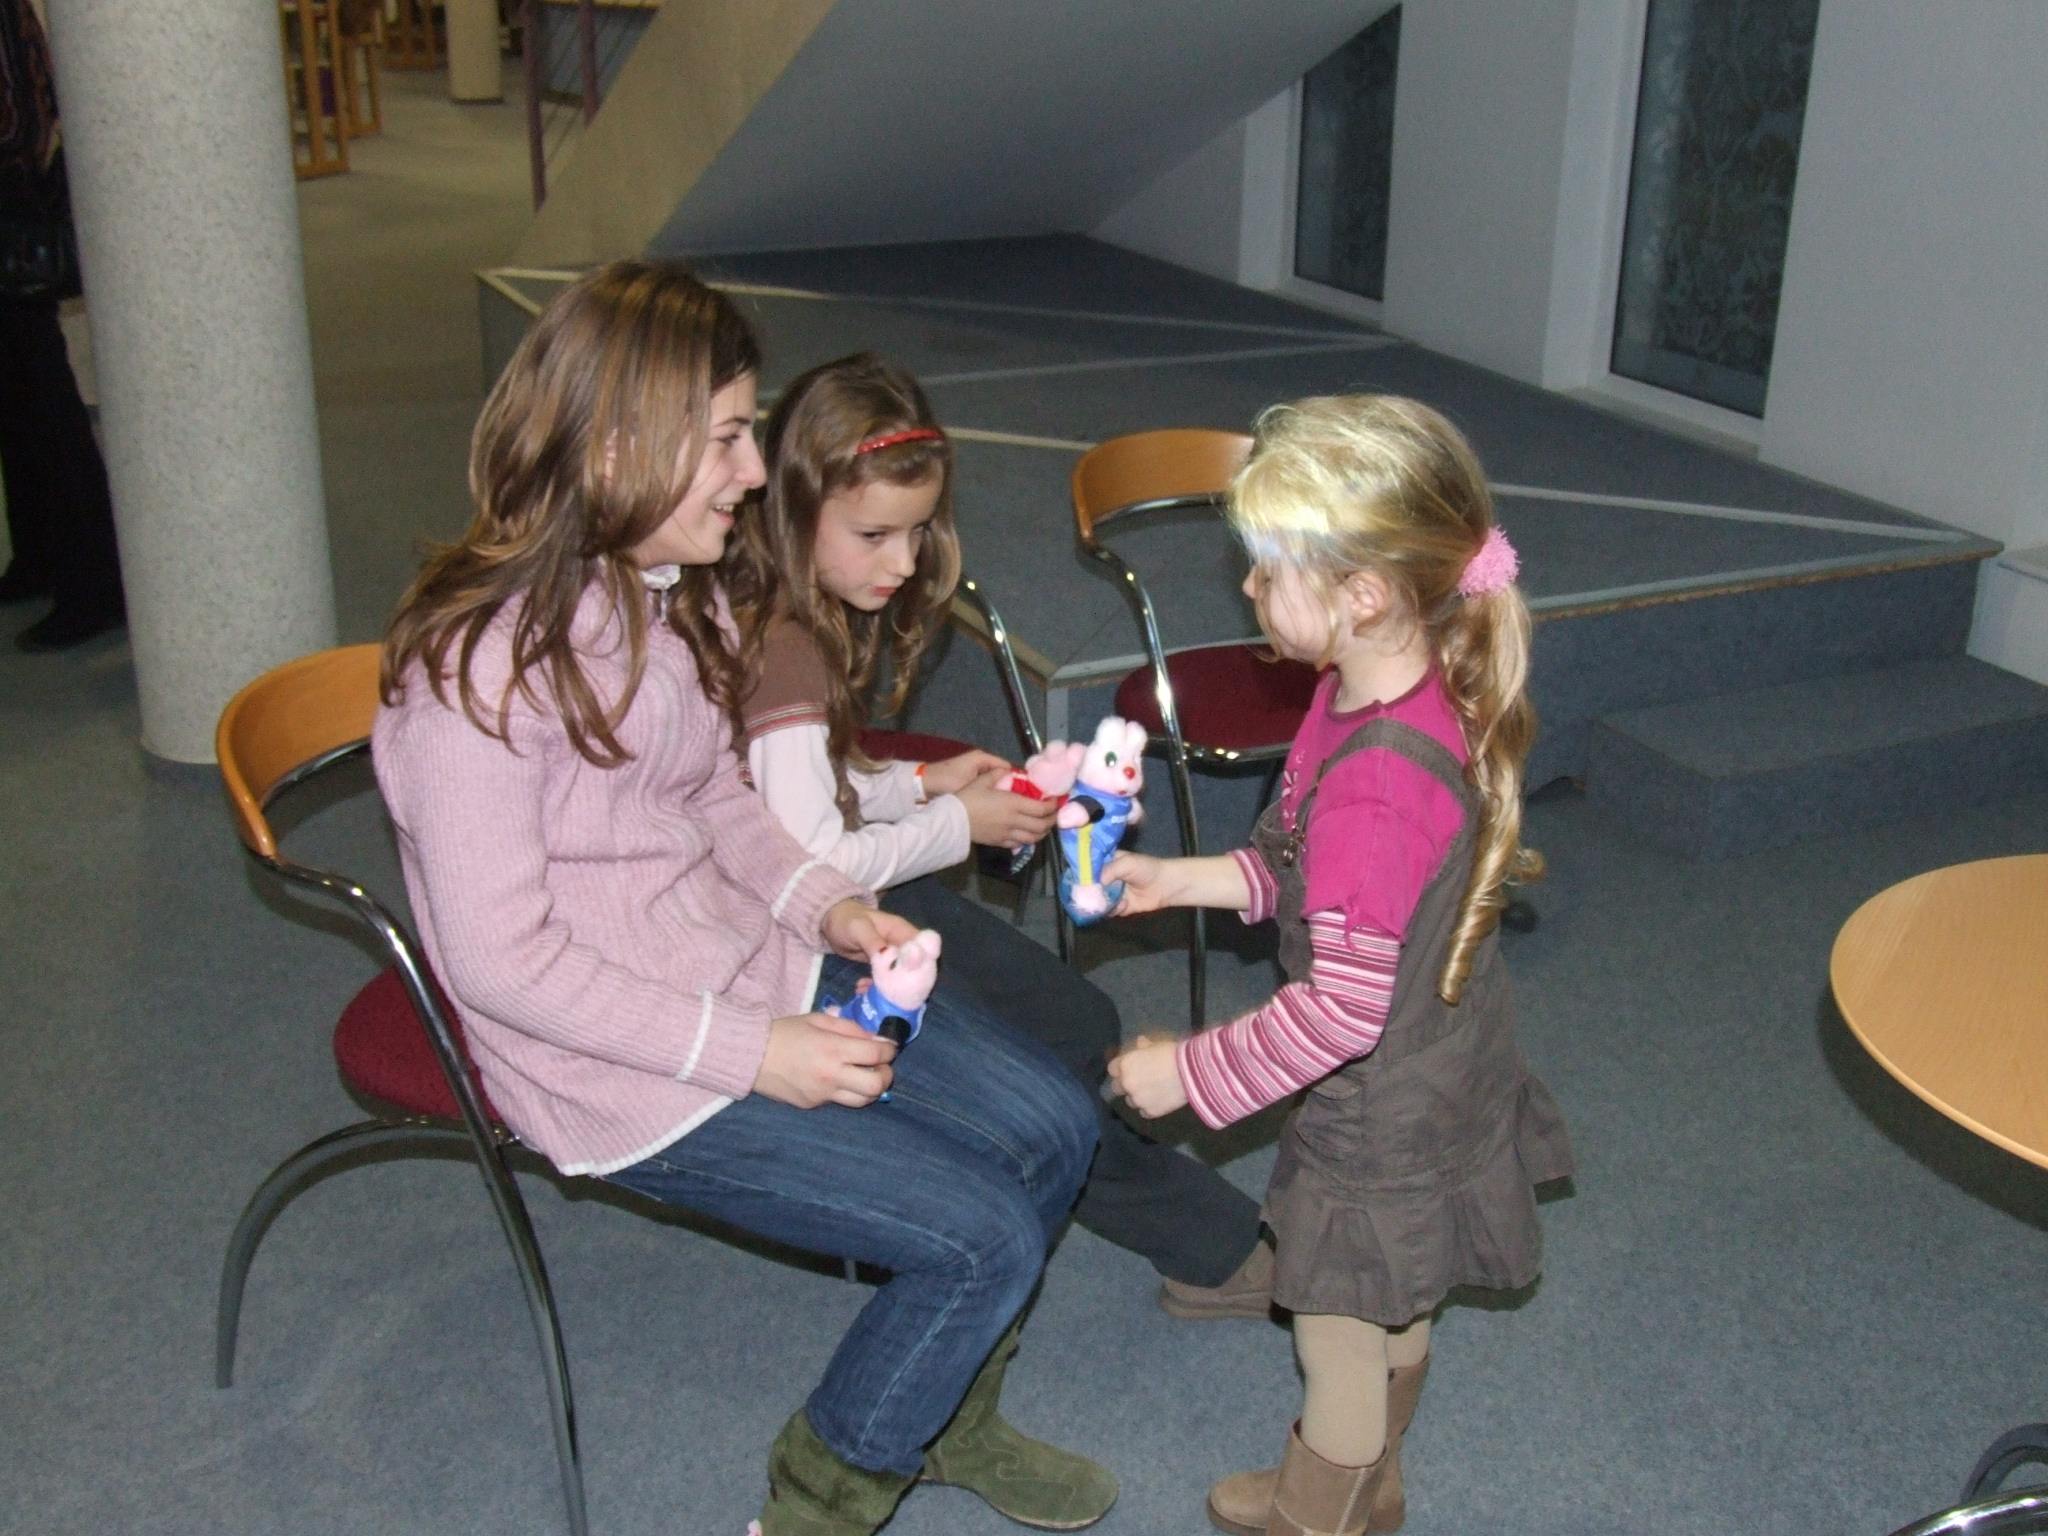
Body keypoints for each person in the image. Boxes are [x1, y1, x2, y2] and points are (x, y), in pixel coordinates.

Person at [371, 264, 1115, 1536]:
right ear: (619, 450)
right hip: (615, 1060)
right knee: (981, 1236)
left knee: (1053, 1124)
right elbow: (499, 964)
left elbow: (714, 796)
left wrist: (826, 906)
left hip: (740, 962)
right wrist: (752, 1052)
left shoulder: (655, 594)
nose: (753, 471)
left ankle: (930, 1411)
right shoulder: (474, 679)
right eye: (724, 438)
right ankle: (822, 1500)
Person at [1104, 396, 1575, 1536]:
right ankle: (1378, 1491)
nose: (1249, 588)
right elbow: (1293, 864)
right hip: (1445, 1056)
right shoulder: (1375, 684)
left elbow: (1337, 1015)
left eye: (1267, 572)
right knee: (1395, 1294)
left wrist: (1188, 1074)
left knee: (1334, 1331)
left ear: (1362, 594)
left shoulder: (1376, 782)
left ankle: (1316, 1511)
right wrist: (1183, 879)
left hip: (1381, 1102)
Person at [722, 352, 1268, 1310]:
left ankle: (1161, 1209)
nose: (903, 562)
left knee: (1078, 1021)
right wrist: (954, 823)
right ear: (792, 512)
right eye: (874, 534)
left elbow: (803, 788)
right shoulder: (782, 649)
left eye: (918, 530)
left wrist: (914, 783)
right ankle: (1218, 1252)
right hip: (794, 939)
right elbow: (811, 864)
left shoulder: (801, 620)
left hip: (861, 900)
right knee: (1048, 1083)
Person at [0, 0, 126, 650]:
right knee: (16, 401)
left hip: (7, 201)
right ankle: (42, 556)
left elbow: (19, 118)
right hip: (12, 191)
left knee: (41, 398)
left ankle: (96, 581)